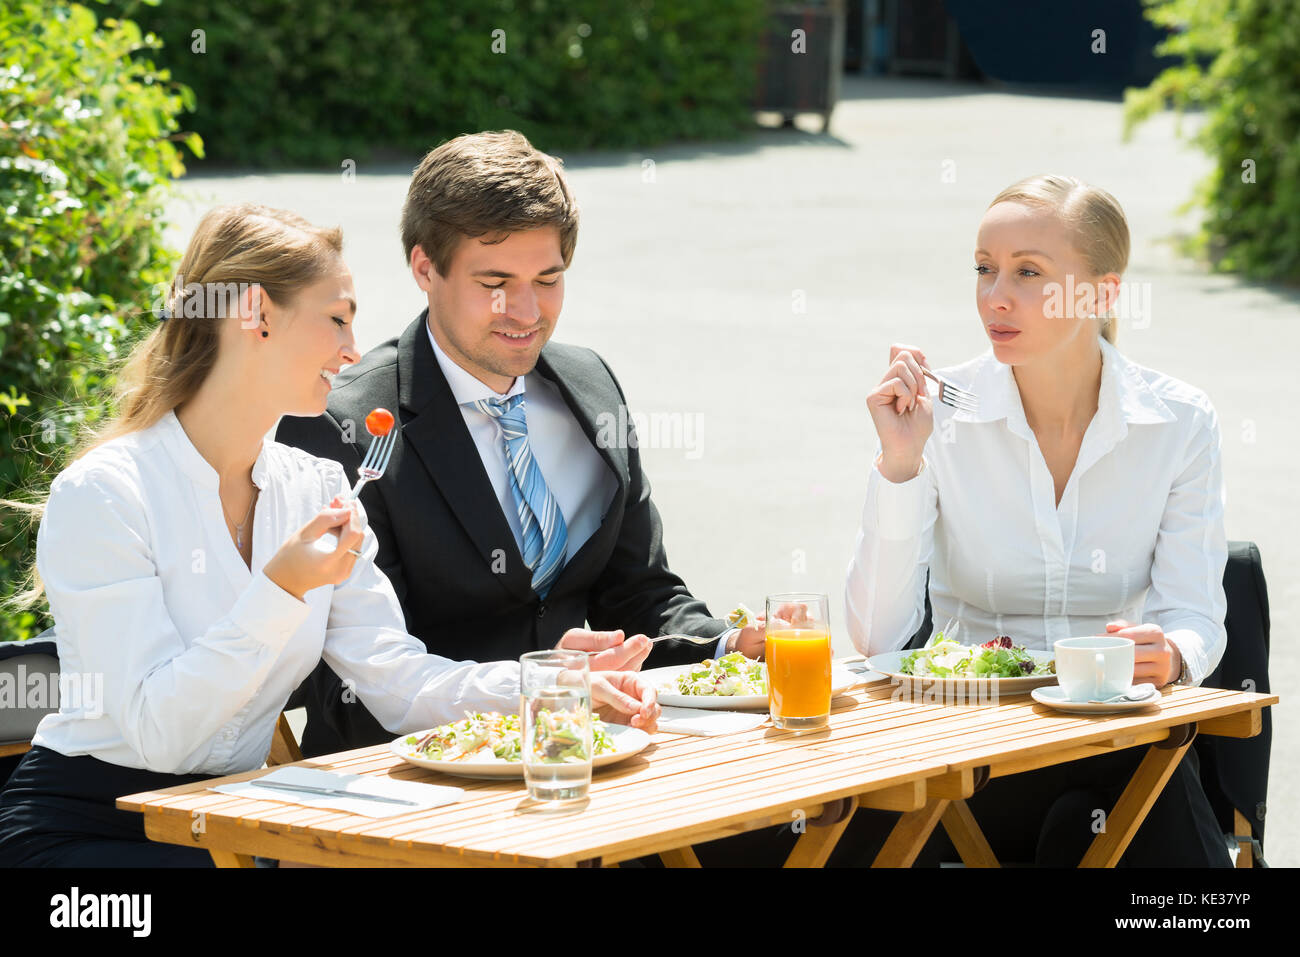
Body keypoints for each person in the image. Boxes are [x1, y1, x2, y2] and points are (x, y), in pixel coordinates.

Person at [0, 204, 658, 867]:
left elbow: (399, 683)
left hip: (239, 830)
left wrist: (544, 684)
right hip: (83, 842)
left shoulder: (316, 488)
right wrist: (280, 589)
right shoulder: (105, 494)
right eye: (337, 319)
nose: (352, 350)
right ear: (254, 314)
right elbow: (162, 737)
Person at [276, 131, 767, 758]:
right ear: (425, 269)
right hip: (416, 779)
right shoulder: (338, 424)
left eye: (549, 277)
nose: (527, 310)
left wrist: (729, 645)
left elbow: (640, 591)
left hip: (587, 753)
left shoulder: (590, 385)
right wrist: (542, 679)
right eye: (495, 281)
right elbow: (367, 667)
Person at [842, 173, 1231, 866]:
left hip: (1112, 741)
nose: (996, 296)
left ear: (1103, 293)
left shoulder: (1180, 422)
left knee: (1139, 799)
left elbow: (1196, 616)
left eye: (1028, 272)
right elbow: (876, 636)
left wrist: (1169, 652)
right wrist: (900, 464)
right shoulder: (943, 417)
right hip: (966, 752)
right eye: (986, 269)